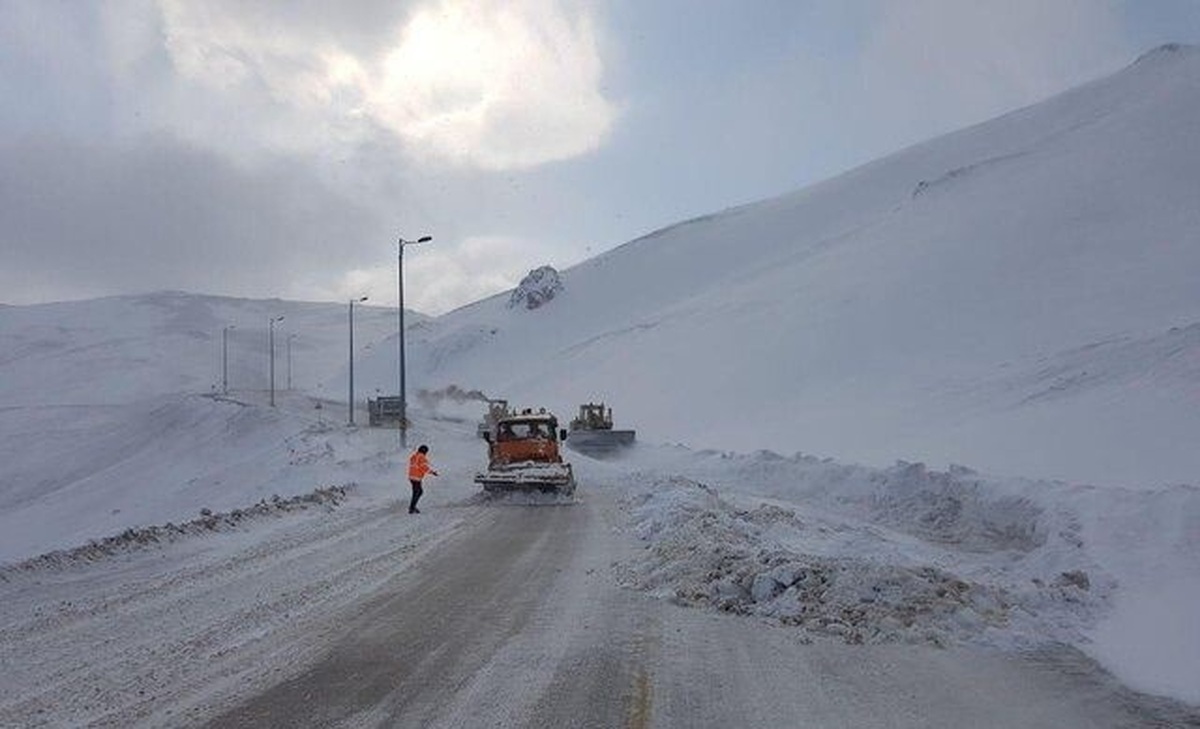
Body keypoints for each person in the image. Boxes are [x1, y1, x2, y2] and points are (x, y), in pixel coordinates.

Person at [407, 444, 438, 514]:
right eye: (426, 451)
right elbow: (423, 467)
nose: (426, 453)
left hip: (411, 476)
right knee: (418, 492)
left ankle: (412, 507)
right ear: (424, 451)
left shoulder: (414, 456)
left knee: (418, 492)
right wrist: (432, 472)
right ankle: (412, 508)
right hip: (416, 477)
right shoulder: (421, 457)